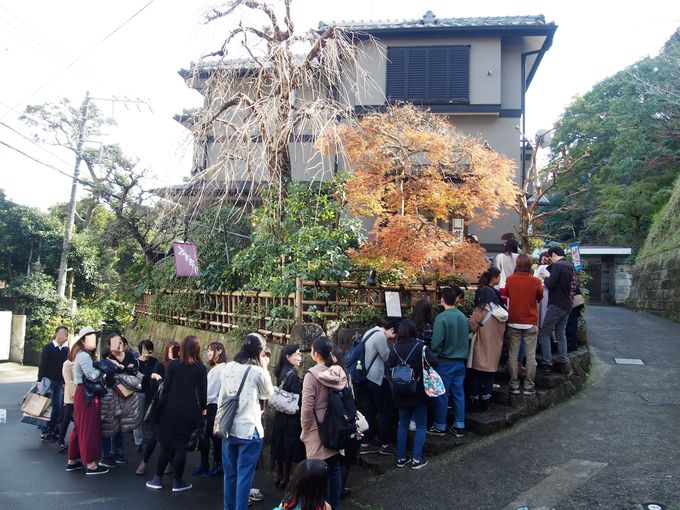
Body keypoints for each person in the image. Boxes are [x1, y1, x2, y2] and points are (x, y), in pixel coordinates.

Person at [218, 333, 274, 510]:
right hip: (249, 429)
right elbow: (268, 393)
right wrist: (264, 367)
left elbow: (222, 398)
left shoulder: (227, 368)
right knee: (244, 476)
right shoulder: (256, 371)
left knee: (230, 475)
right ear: (260, 351)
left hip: (228, 427)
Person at [146, 335, 207, 492]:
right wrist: (202, 410)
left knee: (165, 445)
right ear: (197, 349)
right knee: (181, 447)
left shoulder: (173, 365)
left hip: (170, 409)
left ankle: (157, 479)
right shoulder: (200, 368)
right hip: (189, 411)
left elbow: (165, 388)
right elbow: (202, 394)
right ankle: (178, 482)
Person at [301, 337, 350, 510]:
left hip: (317, 428)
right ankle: (333, 507)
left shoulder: (311, 375)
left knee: (315, 475)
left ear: (315, 353)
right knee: (335, 468)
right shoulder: (339, 372)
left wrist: (305, 427)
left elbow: (307, 406)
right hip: (337, 426)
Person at [387, 319, 439, 470]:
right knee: (421, 426)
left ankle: (401, 458)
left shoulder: (394, 348)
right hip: (418, 392)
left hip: (400, 391)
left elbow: (390, 364)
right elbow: (434, 362)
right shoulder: (420, 347)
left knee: (403, 425)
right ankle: (417, 459)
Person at [66, 326, 112, 475]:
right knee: (89, 428)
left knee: (79, 428)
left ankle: (72, 461)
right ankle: (91, 465)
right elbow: (91, 376)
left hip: (82, 393)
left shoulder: (80, 354)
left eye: (95, 338)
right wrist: (103, 368)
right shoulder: (84, 356)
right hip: (87, 393)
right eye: (91, 337)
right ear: (83, 340)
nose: (94, 340)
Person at [429, 286, 469, 437]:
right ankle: (459, 425)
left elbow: (437, 343)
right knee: (458, 393)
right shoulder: (463, 317)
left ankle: (440, 425)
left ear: (443, 300)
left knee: (442, 394)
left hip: (445, 361)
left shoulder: (442, 318)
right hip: (460, 361)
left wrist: (434, 356)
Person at [136, 340, 179, 476]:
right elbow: (153, 385)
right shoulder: (160, 365)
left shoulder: (180, 366)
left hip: (175, 406)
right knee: (156, 435)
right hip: (161, 405)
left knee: (172, 437)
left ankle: (170, 463)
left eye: (177, 349)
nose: (175, 352)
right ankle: (144, 462)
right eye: (172, 349)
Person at [357, 320, 398, 456]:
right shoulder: (380, 336)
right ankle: (385, 444)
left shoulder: (370, 331)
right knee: (385, 411)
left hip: (366, 378)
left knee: (369, 411)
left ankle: (365, 443)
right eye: (394, 335)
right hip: (377, 379)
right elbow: (387, 357)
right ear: (391, 330)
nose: (393, 338)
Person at [504, 254, 544, 395]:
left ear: (517, 264)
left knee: (513, 355)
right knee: (531, 355)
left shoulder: (510, 280)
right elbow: (540, 297)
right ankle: (528, 385)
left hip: (514, 320)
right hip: (530, 321)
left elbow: (507, 294)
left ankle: (514, 384)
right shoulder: (535, 281)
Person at [468, 268, 506, 412]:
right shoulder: (501, 313)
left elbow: (472, 325)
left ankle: (475, 400)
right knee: (490, 372)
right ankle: (486, 399)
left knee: (477, 372)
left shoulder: (481, 310)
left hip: (481, 343)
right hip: (496, 344)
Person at [100, 333, 140, 467]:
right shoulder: (107, 358)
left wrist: (123, 369)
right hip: (110, 395)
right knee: (108, 425)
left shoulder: (130, 356)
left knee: (122, 424)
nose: (119, 345)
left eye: (120, 342)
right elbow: (108, 378)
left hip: (126, 395)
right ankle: (105, 455)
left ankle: (116, 452)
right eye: (115, 343)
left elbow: (134, 371)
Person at [271, 344, 305, 489]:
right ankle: (286, 477)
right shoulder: (293, 376)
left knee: (280, 443)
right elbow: (299, 399)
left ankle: (279, 475)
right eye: (296, 354)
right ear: (288, 357)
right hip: (291, 416)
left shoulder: (281, 371)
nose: (300, 357)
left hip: (280, 414)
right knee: (289, 446)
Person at [537, 247, 575, 375]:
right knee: (561, 333)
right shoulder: (570, 265)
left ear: (553, 254)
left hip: (556, 304)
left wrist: (545, 277)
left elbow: (551, 284)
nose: (550, 260)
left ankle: (547, 363)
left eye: (550, 257)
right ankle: (561, 361)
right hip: (567, 304)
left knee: (545, 333)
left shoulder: (558, 266)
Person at [193, 341, 228, 477]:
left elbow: (210, 392)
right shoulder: (220, 368)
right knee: (208, 436)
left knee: (212, 436)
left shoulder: (219, 369)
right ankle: (209, 463)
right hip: (214, 405)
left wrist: (202, 405)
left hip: (212, 406)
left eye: (210, 350)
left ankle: (214, 465)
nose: (208, 353)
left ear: (219, 351)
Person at [37, 325, 70, 442]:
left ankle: (51, 430)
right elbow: (42, 365)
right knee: (45, 406)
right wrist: (39, 381)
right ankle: (44, 432)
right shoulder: (48, 347)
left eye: (65, 334)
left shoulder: (66, 350)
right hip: (48, 381)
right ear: (56, 334)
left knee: (57, 408)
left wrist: (66, 382)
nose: (63, 336)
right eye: (61, 334)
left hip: (60, 382)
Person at [133, 339, 158, 452]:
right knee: (138, 417)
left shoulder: (155, 362)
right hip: (140, 392)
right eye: (144, 349)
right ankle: (138, 441)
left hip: (152, 392)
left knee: (150, 416)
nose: (147, 351)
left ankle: (149, 438)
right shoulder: (136, 363)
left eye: (148, 348)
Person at [57, 342, 77, 453]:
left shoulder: (81, 362)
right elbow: (68, 381)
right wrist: (75, 393)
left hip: (80, 395)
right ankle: (61, 441)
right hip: (70, 396)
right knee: (66, 419)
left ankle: (74, 443)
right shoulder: (67, 364)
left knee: (77, 420)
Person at [534, 252, 551, 328]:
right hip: (549, 292)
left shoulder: (541, 267)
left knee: (539, 311)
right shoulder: (553, 267)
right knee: (545, 312)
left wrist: (535, 269)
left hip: (541, 290)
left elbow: (535, 279)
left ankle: (540, 328)